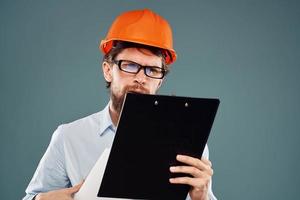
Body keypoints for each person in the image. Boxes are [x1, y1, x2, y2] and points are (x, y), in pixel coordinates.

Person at [23, 9, 217, 200]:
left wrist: (202, 198)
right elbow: (30, 197)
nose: (141, 78)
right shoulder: (68, 137)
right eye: (130, 66)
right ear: (108, 70)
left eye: (152, 70)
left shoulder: (188, 143)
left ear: (160, 81)